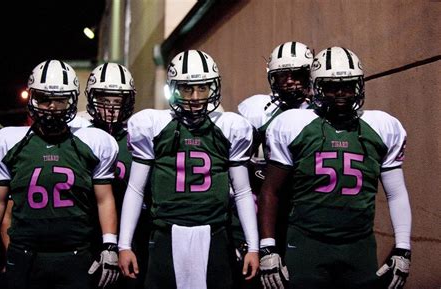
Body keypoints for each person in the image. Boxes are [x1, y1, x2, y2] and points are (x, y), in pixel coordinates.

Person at [258, 47, 412, 289]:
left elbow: (396, 192)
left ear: (359, 84)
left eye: (348, 84)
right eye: (331, 86)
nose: (341, 92)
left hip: (359, 244)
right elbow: (270, 190)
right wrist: (268, 246)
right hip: (307, 243)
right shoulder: (293, 124)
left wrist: (403, 247)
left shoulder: (383, 126)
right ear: (317, 86)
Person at [118, 49, 259, 289]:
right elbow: (135, 188)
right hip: (165, 231)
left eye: (202, 88)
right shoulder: (153, 125)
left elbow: (243, 191)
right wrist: (124, 245)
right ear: (174, 89)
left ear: (212, 88)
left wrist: (253, 247)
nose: (195, 96)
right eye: (187, 88)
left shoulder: (229, 126)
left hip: (215, 232)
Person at [0, 59, 120, 289]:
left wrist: (110, 245)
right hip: (25, 253)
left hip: (75, 253)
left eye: (60, 99)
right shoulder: (9, 142)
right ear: (33, 98)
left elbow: (104, 199)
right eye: (45, 99)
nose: (52, 107)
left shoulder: (92, 142)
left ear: (72, 100)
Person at [236, 41, 314, 288]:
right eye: (282, 76)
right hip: (264, 204)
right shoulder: (258, 110)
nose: (290, 82)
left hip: (302, 209)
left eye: (297, 75)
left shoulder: (319, 112)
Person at [85, 62, 150, 289]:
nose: (111, 108)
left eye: (117, 101)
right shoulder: (82, 137)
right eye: (104, 100)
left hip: (134, 235)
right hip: (90, 234)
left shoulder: (138, 137)